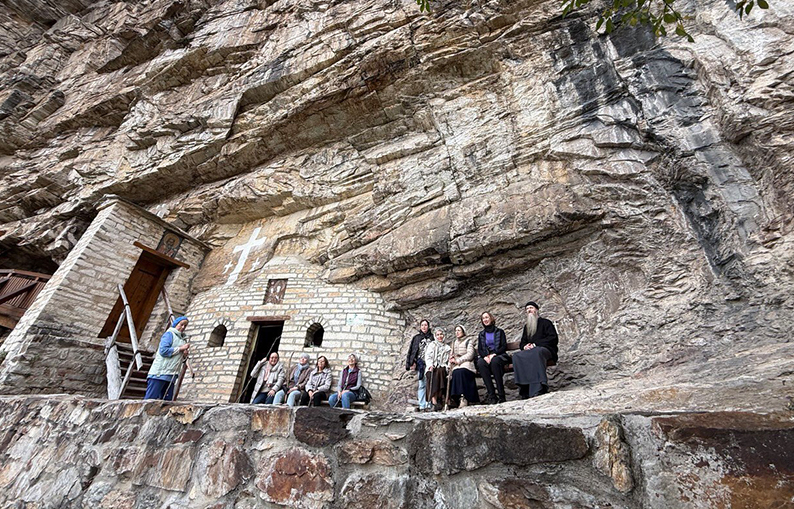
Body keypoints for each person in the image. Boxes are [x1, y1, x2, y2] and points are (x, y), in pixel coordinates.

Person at [512, 301, 559, 399]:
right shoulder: (527, 327)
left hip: (545, 350)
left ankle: (539, 388)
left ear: (536, 310)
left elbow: (552, 338)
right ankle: (524, 389)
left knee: (536, 352)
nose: (529, 310)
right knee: (516, 356)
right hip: (531, 351)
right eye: (527, 309)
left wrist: (535, 344)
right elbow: (523, 342)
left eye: (531, 308)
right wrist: (525, 346)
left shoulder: (546, 323)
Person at [145, 316, 190, 400]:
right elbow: (163, 351)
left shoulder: (183, 339)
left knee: (166, 402)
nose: (183, 327)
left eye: (185, 326)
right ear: (176, 324)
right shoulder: (169, 334)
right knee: (150, 400)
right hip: (159, 373)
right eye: (181, 324)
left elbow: (179, 357)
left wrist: (184, 355)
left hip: (171, 375)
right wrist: (180, 348)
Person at [476, 311, 509, 404]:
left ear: (491, 318)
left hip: (499, 355)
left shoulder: (500, 332)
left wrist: (494, 354)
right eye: (483, 318)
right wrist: (485, 356)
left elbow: (503, 346)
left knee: (495, 362)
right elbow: (480, 349)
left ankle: (501, 395)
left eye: (487, 317)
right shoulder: (481, 334)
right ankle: (492, 396)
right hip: (487, 356)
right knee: (480, 363)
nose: (485, 320)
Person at [448, 325, 479, 407]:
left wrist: (458, 360)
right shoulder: (454, 343)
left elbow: (470, 354)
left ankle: (464, 397)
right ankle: (456, 398)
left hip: (467, 363)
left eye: (459, 330)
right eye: (456, 331)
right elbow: (452, 354)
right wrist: (451, 360)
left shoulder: (469, 341)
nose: (457, 332)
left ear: (463, 331)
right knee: (455, 372)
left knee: (461, 372)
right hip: (457, 365)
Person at [406, 319, 433, 411]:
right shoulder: (416, 338)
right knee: (422, 384)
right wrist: (409, 363)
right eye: (422, 325)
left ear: (428, 326)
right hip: (420, 363)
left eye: (426, 325)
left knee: (429, 383)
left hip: (430, 363)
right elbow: (412, 351)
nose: (424, 327)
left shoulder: (432, 338)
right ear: (420, 327)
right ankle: (422, 405)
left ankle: (428, 404)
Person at [424, 328, 451, 411]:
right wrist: (430, 365)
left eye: (441, 334)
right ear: (435, 336)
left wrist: (448, 366)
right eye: (438, 335)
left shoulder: (447, 348)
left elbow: (449, 360)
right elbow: (428, 356)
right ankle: (434, 402)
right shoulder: (432, 345)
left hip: (442, 366)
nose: (440, 336)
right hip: (432, 366)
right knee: (430, 375)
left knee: (440, 372)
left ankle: (439, 399)